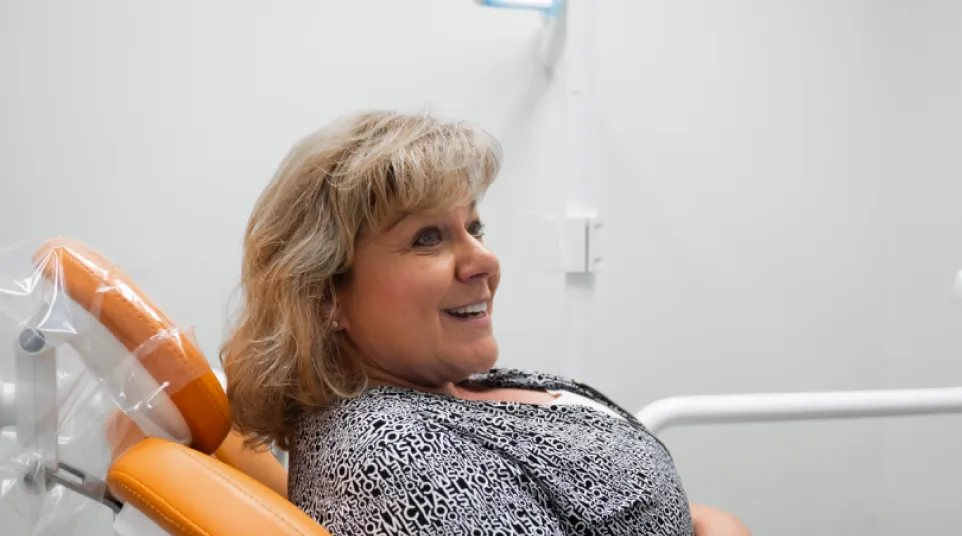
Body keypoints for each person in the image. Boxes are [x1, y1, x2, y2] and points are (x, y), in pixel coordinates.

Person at [220, 111, 751, 536]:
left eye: (474, 227)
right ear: (324, 297)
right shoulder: (394, 459)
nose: (483, 261)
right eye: (428, 237)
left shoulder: (447, 386)